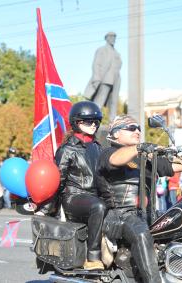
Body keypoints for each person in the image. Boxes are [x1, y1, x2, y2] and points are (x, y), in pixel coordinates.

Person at [96, 115, 182, 283]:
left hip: (145, 213)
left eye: (139, 128)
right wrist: (139, 148)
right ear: (116, 133)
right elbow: (115, 160)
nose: (138, 131)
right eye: (131, 128)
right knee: (141, 233)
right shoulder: (108, 152)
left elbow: (173, 166)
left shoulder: (144, 158)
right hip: (118, 215)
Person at [55, 101, 106, 270]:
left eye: (96, 121)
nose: (93, 124)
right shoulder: (67, 149)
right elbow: (58, 181)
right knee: (98, 207)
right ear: (77, 122)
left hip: (94, 196)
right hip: (73, 197)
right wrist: (50, 208)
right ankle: (93, 258)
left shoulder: (98, 147)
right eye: (88, 121)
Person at [84, 32, 122, 120]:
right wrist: (96, 77)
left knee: (114, 102)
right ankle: (92, 118)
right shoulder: (102, 50)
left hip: (116, 78)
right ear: (107, 38)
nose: (113, 39)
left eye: (114, 37)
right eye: (111, 37)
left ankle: (112, 121)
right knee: (100, 99)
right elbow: (96, 64)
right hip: (106, 78)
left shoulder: (116, 52)